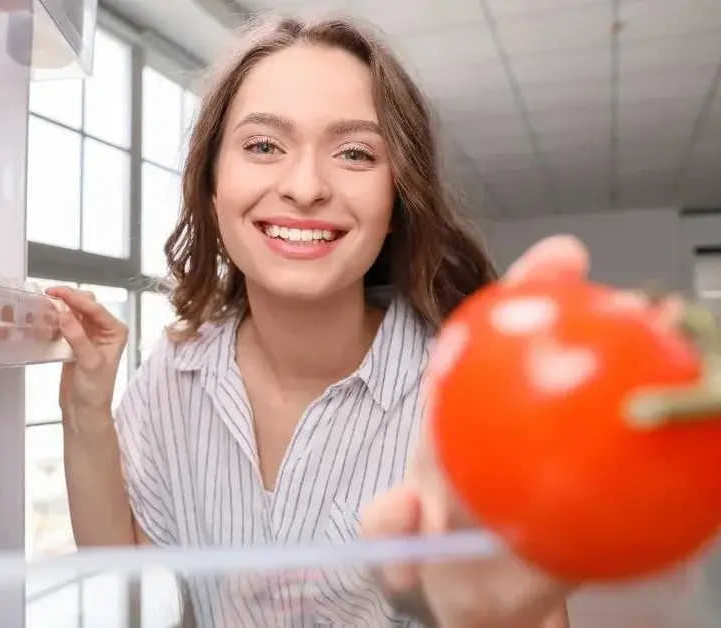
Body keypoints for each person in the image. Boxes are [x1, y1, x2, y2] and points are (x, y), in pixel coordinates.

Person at [51, 12, 574, 628]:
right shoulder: (176, 374)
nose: (305, 187)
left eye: (355, 153)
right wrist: (85, 409)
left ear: (398, 197)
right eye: (264, 145)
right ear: (212, 181)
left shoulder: (468, 393)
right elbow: (123, 571)